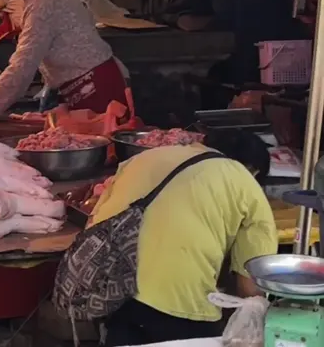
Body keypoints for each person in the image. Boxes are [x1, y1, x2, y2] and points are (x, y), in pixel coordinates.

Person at [91, 130, 276, 346]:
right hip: (180, 302)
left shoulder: (143, 158)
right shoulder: (244, 181)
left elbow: (95, 219)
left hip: (112, 290)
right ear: (254, 170)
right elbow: (250, 285)